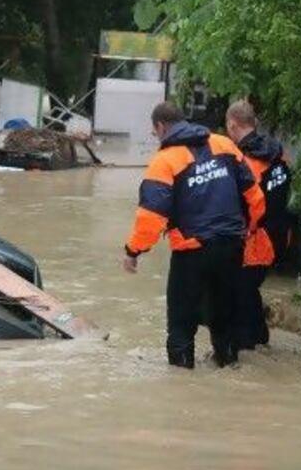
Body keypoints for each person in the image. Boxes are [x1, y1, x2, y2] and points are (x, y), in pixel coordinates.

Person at [122, 102, 265, 369]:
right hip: (231, 247)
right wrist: (249, 229)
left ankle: (180, 387)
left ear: (161, 127)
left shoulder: (164, 161)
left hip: (191, 253)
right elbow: (254, 196)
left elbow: (151, 218)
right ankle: (227, 366)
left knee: (180, 324)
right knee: (224, 319)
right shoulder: (224, 145)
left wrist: (133, 251)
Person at [225, 100, 292, 348]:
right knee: (248, 289)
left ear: (232, 125)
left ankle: (245, 347)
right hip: (281, 234)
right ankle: (260, 339)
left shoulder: (247, 161)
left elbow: (251, 205)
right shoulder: (279, 153)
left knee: (238, 292)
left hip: (257, 240)